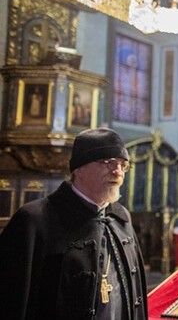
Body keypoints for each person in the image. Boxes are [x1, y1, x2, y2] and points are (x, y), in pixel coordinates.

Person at [0, 128, 147, 320]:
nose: (118, 171)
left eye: (123, 165)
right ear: (79, 168)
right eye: (109, 162)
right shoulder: (34, 220)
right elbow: (10, 300)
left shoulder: (121, 218)